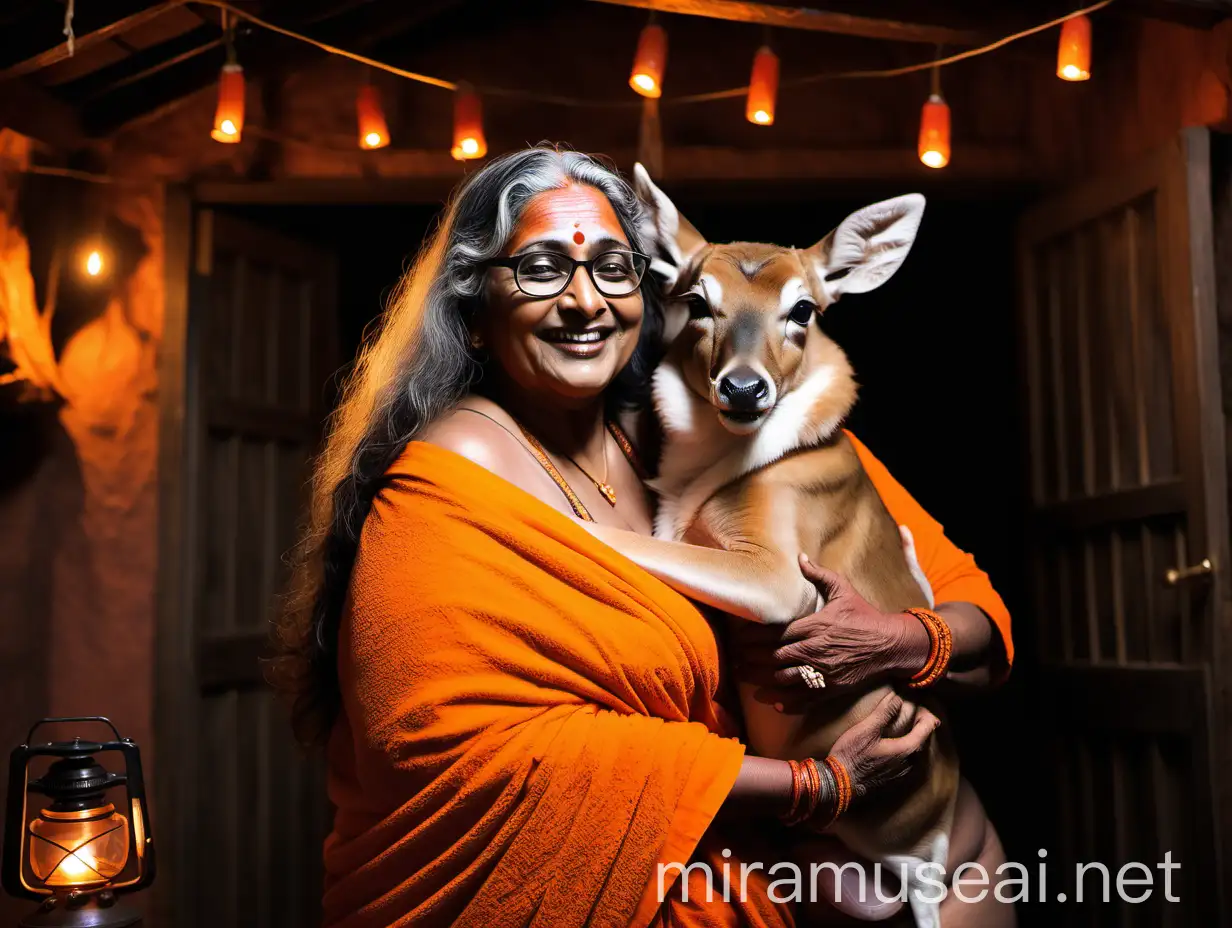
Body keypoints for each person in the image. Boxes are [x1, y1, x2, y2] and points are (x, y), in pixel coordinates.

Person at [273, 146, 1016, 928]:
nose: (584, 300)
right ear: (474, 312)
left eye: (612, 269)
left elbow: (979, 616)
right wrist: (811, 785)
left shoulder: (701, 436)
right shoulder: (446, 484)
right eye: (541, 267)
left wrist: (902, 639)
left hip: (855, 877)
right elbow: (448, 752)